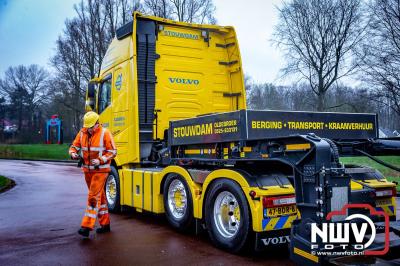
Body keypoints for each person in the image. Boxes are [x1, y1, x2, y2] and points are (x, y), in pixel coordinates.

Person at [69, 111, 117, 237]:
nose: (88, 129)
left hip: (101, 170)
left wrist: (101, 160)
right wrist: (73, 153)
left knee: (92, 196)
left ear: (97, 124)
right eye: (87, 127)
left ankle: (86, 226)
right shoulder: (82, 132)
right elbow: (74, 146)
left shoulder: (105, 133)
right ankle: (105, 224)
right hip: (87, 170)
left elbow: (113, 151)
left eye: (90, 127)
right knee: (99, 197)